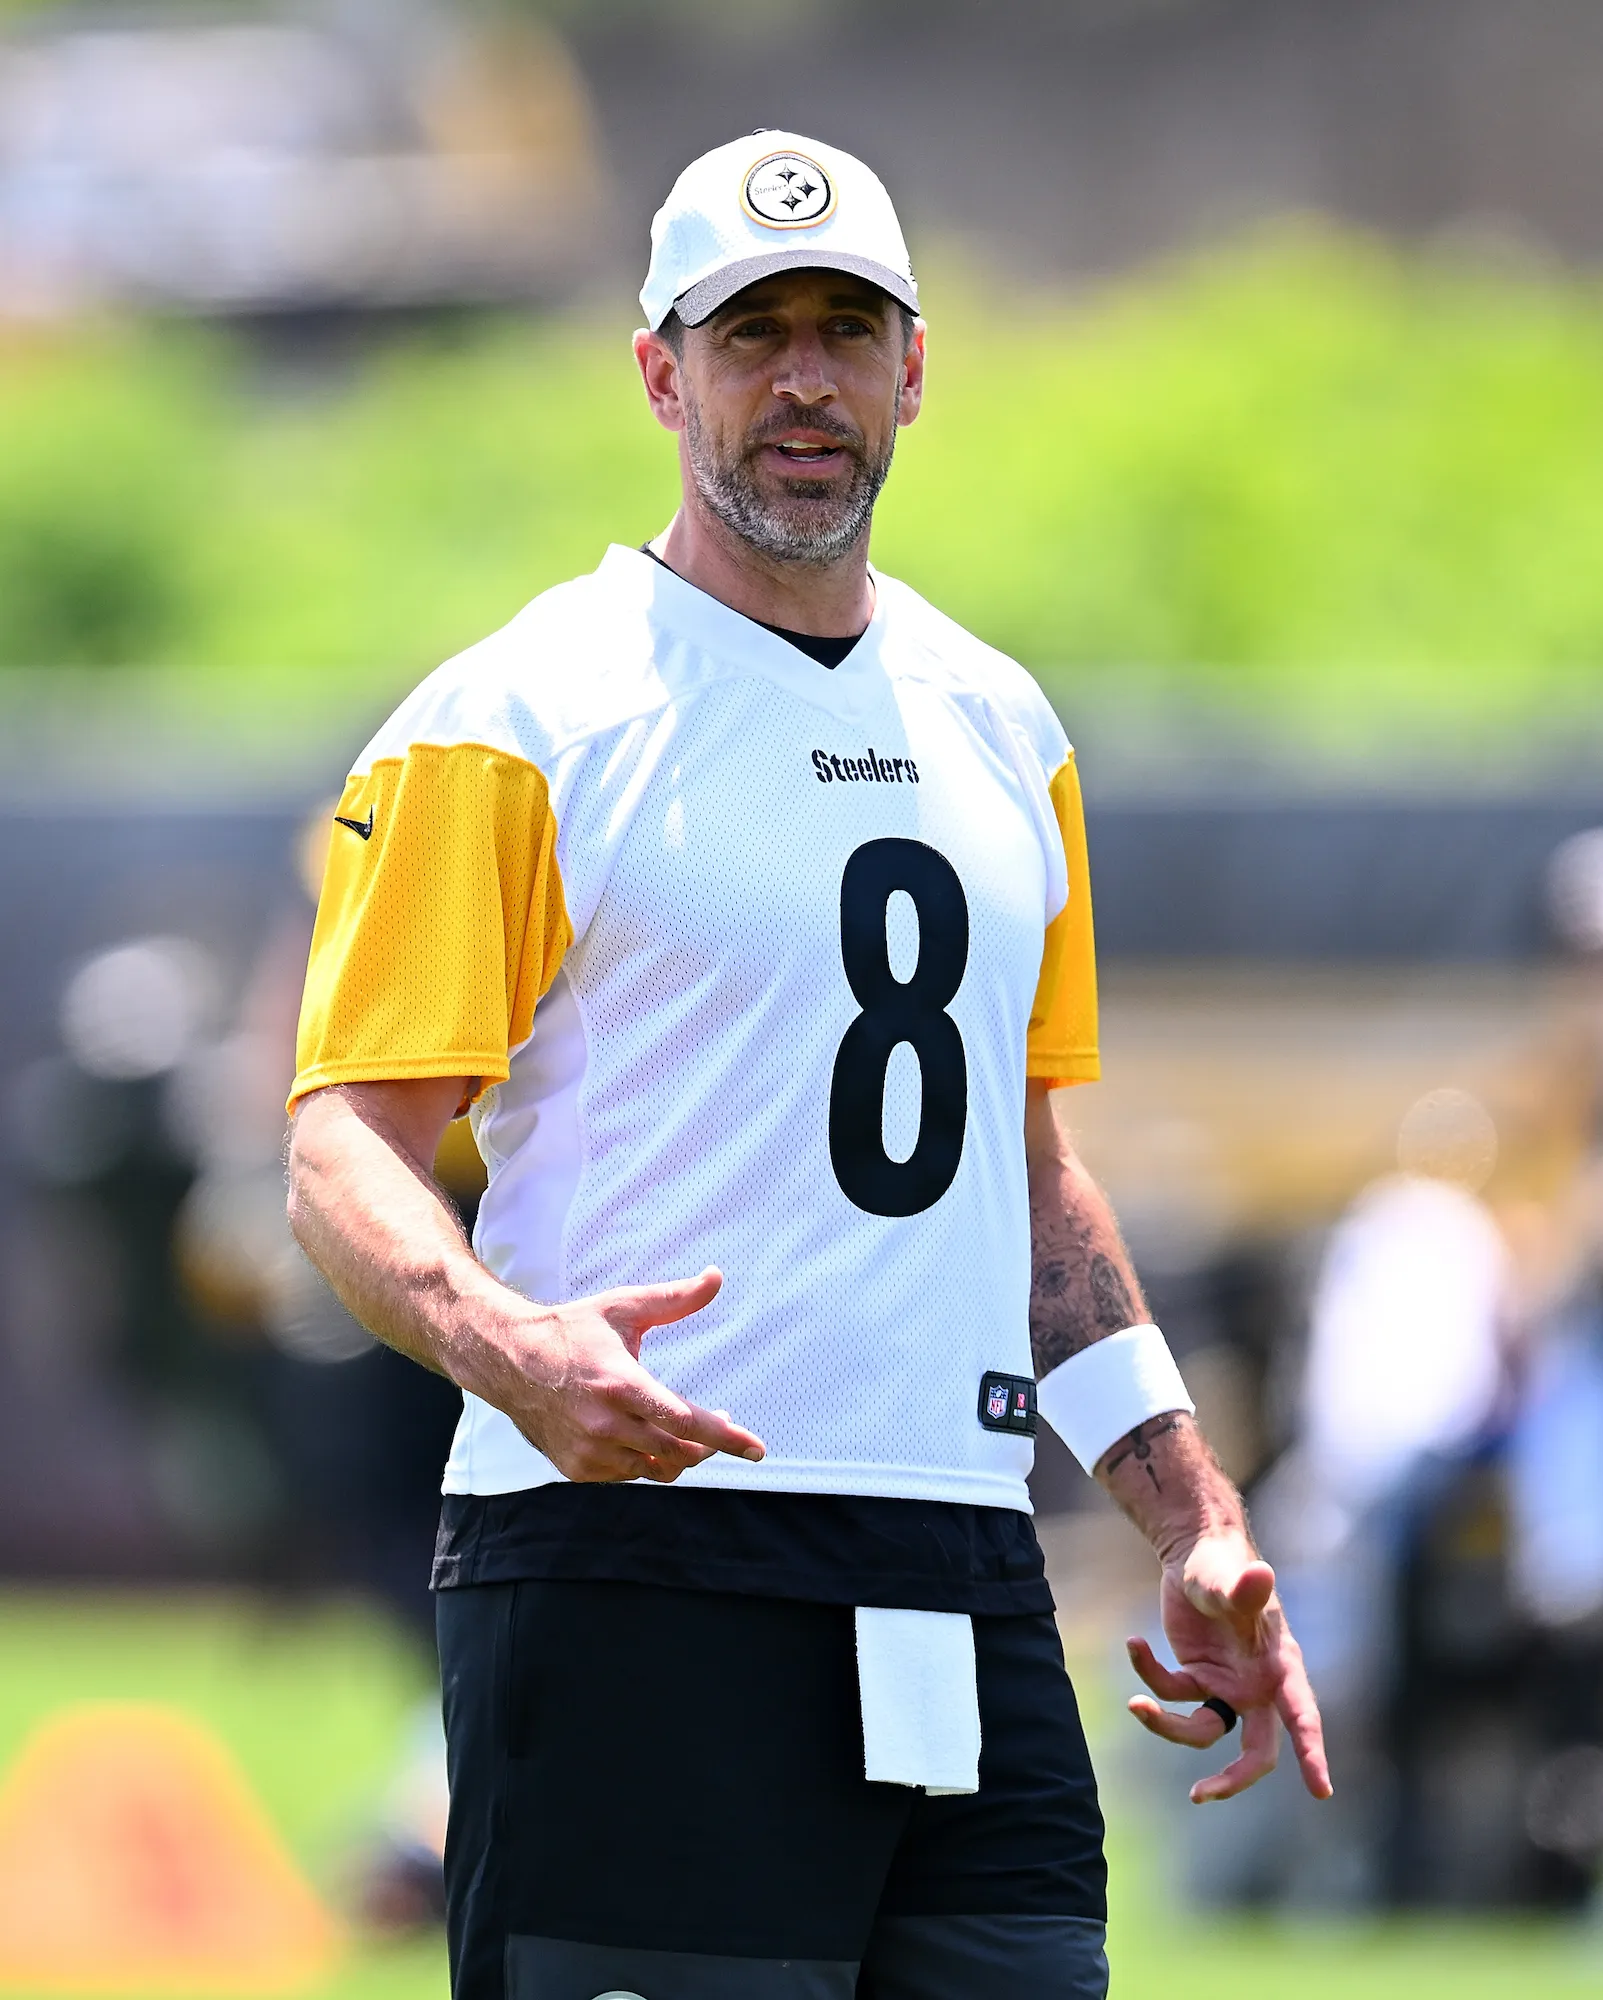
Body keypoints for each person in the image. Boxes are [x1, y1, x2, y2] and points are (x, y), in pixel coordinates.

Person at [286, 131, 1329, 2000]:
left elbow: (1024, 1175)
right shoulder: (519, 719)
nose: (801, 381)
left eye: (844, 330)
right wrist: (503, 1348)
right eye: (748, 331)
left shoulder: (1003, 724)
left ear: (913, 367)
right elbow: (343, 1151)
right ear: (656, 372)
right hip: (631, 1576)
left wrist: (1193, 1521)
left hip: (959, 1566)